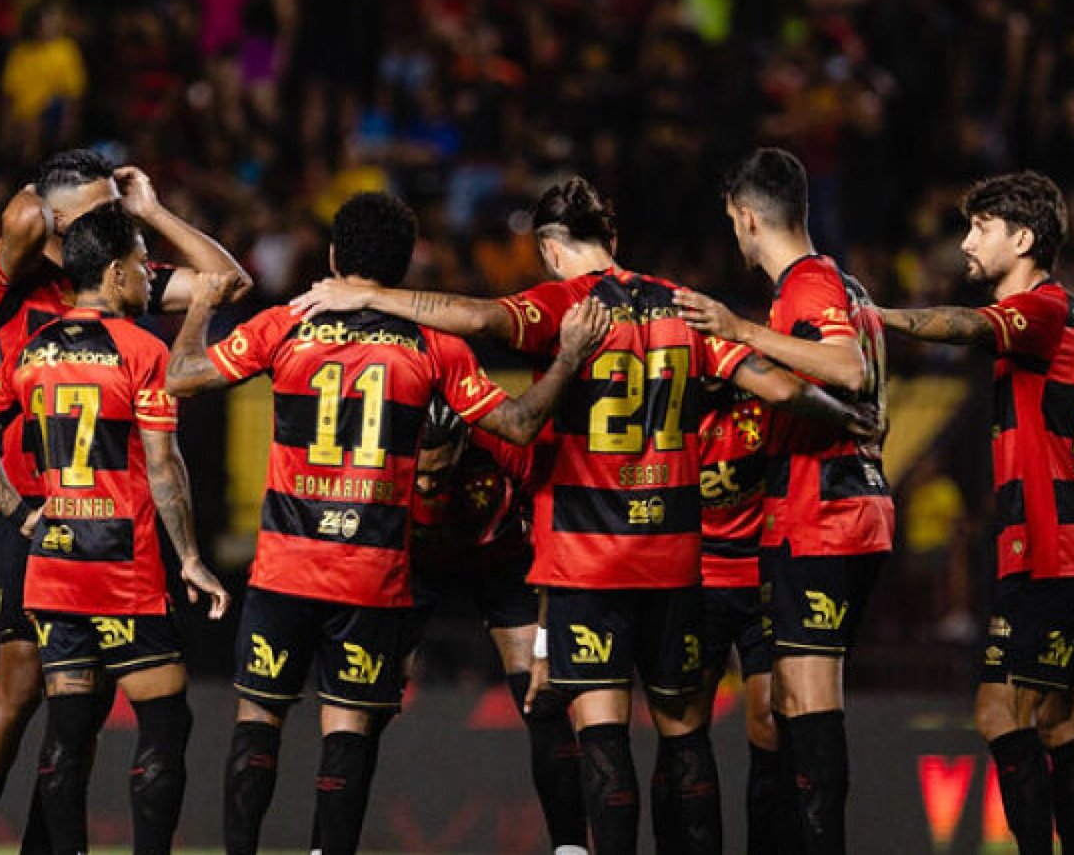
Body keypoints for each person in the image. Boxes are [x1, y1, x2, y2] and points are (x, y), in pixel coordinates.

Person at [288, 177, 874, 855]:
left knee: (603, 738)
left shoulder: (564, 302)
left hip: (590, 562)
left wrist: (370, 295)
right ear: (611, 237)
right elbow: (776, 386)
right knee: (685, 738)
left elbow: (477, 318)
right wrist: (846, 417)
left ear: (549, 248)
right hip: (673, 559)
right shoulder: (681, 305)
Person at [167, 191, 611, 855]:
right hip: (371, 571)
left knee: (259, 719)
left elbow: (181, 377)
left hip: (289, 564)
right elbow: (519, 423)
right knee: (349, 732)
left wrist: (202, 304)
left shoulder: (287, 323)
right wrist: (569, 359)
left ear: (332, 257)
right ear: (405, 267)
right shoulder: (435, 345)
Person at [0, 148, 250, 855]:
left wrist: (149, 212)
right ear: (57, 215)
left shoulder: (123, 276)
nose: (111, 219)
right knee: (21, 690)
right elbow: (23, 217)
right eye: (98, 209)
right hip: (32, 503)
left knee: (77, 711)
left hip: (91, 511)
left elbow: (229, 281)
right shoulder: (14, 275)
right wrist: (63, 199)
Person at [676, 148, 893, 855]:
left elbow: (846, 367)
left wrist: (739, 331)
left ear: (746, 218)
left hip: (822, 515)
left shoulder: (806, 283)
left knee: (807, 707)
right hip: (845, 508)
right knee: (792, 708)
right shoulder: (844, 285)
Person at [876, 171, 1074, 853]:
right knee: (1059, 721)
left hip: (1054, 552)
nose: (966, 242)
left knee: (1000, 712)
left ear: (1023, 240)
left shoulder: (1043, 310)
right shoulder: (1058, 320)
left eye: (982, 228)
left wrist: (880, 317)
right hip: (1051, 547)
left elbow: (966, 325)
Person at [408, 399, 588, 855]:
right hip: (416, 563)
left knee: (541, 701)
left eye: (438, 471)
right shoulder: (382, 444)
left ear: (463, 442)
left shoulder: (503, 440)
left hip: (500, 562)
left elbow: (551, 524)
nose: (426, 485)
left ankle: (570, 848)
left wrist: (545, 641)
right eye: (418, 473)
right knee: (364, 700)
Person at [693, 383, 783, 851]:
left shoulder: (765, 398)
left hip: (761, 574)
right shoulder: (672, 404)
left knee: (769, 720)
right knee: (686, 727)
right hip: (695, 576)